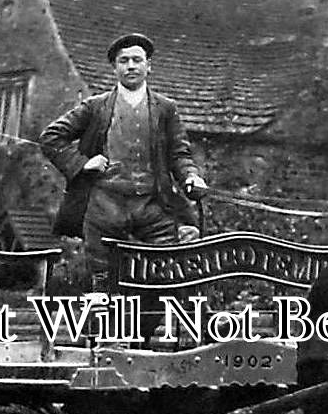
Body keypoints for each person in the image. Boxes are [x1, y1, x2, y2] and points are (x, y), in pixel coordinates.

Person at [39, 33, 207, 291]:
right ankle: (101, 331)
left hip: (151, 205)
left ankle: (146, 330)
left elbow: (179, 154)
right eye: (124, 60)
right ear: (115, 67)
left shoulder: (165, 108)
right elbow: (51, 137)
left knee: (164, 273)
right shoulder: (95, 107)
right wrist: (82, 163)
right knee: (103, 281)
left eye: (137, 60)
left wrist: (191, 176)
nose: (131, 66)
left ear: (148, 66)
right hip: (105, 206)